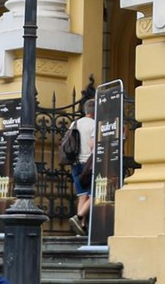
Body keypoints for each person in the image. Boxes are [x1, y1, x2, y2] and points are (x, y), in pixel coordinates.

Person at [67, 96, 96, 234]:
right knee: (94, 194)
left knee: (82, 196)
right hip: (88, 164)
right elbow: (92, 145)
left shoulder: (74, 124)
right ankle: (78, 217)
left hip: (75, 163)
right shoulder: (95, 124)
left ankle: (81, 228)